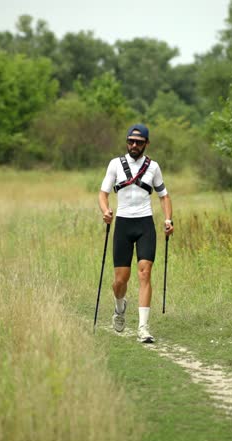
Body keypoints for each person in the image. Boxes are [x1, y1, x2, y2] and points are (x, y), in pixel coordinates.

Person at [98, 124, 173, 343]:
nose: (134, 145)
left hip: (144, 224)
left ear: (146, 144)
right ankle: (119, 306)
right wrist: (105, 211)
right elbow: (103, 194)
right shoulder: (115, 164)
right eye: (130, 141)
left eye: (138, 142)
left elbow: (164, 196)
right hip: (123, 224)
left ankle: (143, 328)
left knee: (145, 273)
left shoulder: (153, 167)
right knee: (120, 281)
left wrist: (168, 219)